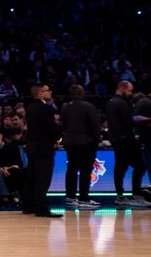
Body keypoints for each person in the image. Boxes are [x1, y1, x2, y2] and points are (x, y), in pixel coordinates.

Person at [105, 78, 148, 207]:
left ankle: (120, 196)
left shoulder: (110, 102)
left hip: (116, 140)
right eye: (129, 91)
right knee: (140, 166)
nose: (130, 93)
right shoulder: (122, 103)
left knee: (120, 168)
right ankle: (136, 195)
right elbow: (128, 122)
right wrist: (144, 122)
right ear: (122, 89)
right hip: (126, 140)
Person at [22, 82, 61, 217]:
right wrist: (58, 138)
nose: (50, 92)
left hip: (32, 147)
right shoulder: (45, 108)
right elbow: (50, 127)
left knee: (31, 177)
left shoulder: (30, 107)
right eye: (47, 90)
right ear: (40, 93)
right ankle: (41, 208)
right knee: (42, 179)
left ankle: (28, 206)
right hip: (43, 148)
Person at [60, 83, 101, 209]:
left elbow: (63, 125)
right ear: (79, 93)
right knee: (85, 171)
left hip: (69, 143)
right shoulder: (88, 106)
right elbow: (95, 126)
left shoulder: (65, 107)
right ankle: (84, 198)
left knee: (71, 169)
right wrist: (96, 139)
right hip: (85, 143)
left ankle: (70, 197)